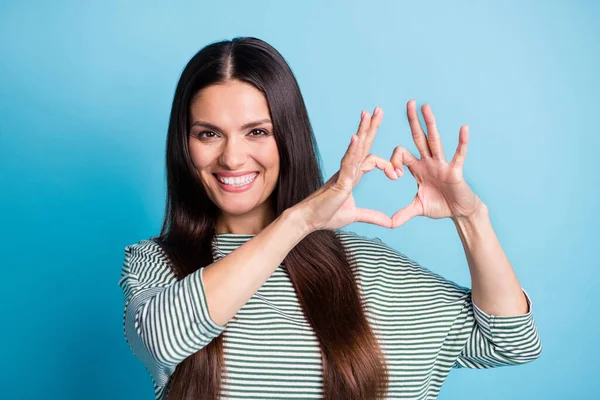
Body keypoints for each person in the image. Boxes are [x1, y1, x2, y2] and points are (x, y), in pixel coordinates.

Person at [118, 37, 542, 400]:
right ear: (184, 144)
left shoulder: (370, 269)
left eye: (257, 132)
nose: (231, 157)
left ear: (289, 137)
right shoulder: (156, 264)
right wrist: (298, 221)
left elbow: (510, 340)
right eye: (208, 134)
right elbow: (163, 338)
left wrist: (470, 217)